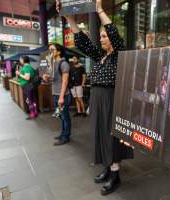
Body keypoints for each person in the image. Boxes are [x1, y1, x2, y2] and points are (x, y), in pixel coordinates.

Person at [56, 0, 133, 195]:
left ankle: (115, 175)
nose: (102, 38)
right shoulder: (100, 56)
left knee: (110, 135)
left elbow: (115, 35)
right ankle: (108, 168)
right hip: (98, 97)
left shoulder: (119, 55)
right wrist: (68, 17)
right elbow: (81, 40)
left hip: (111, 97)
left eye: (105, 36)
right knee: (100, 133)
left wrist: (99, 9)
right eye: (100, 36)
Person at [42, 43, 72, 146]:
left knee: (65, 116)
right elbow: (53, 80)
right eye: (49, 50)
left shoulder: (63, 64)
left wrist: (61, 97)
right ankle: (63, 133)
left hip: (62, 95)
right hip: (55, 94)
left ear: (58, 51)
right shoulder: (52, 64)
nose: (50, 52)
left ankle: (66, 137)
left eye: (52, 50)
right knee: (61, 115)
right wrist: (46, 78)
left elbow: (65, 82)